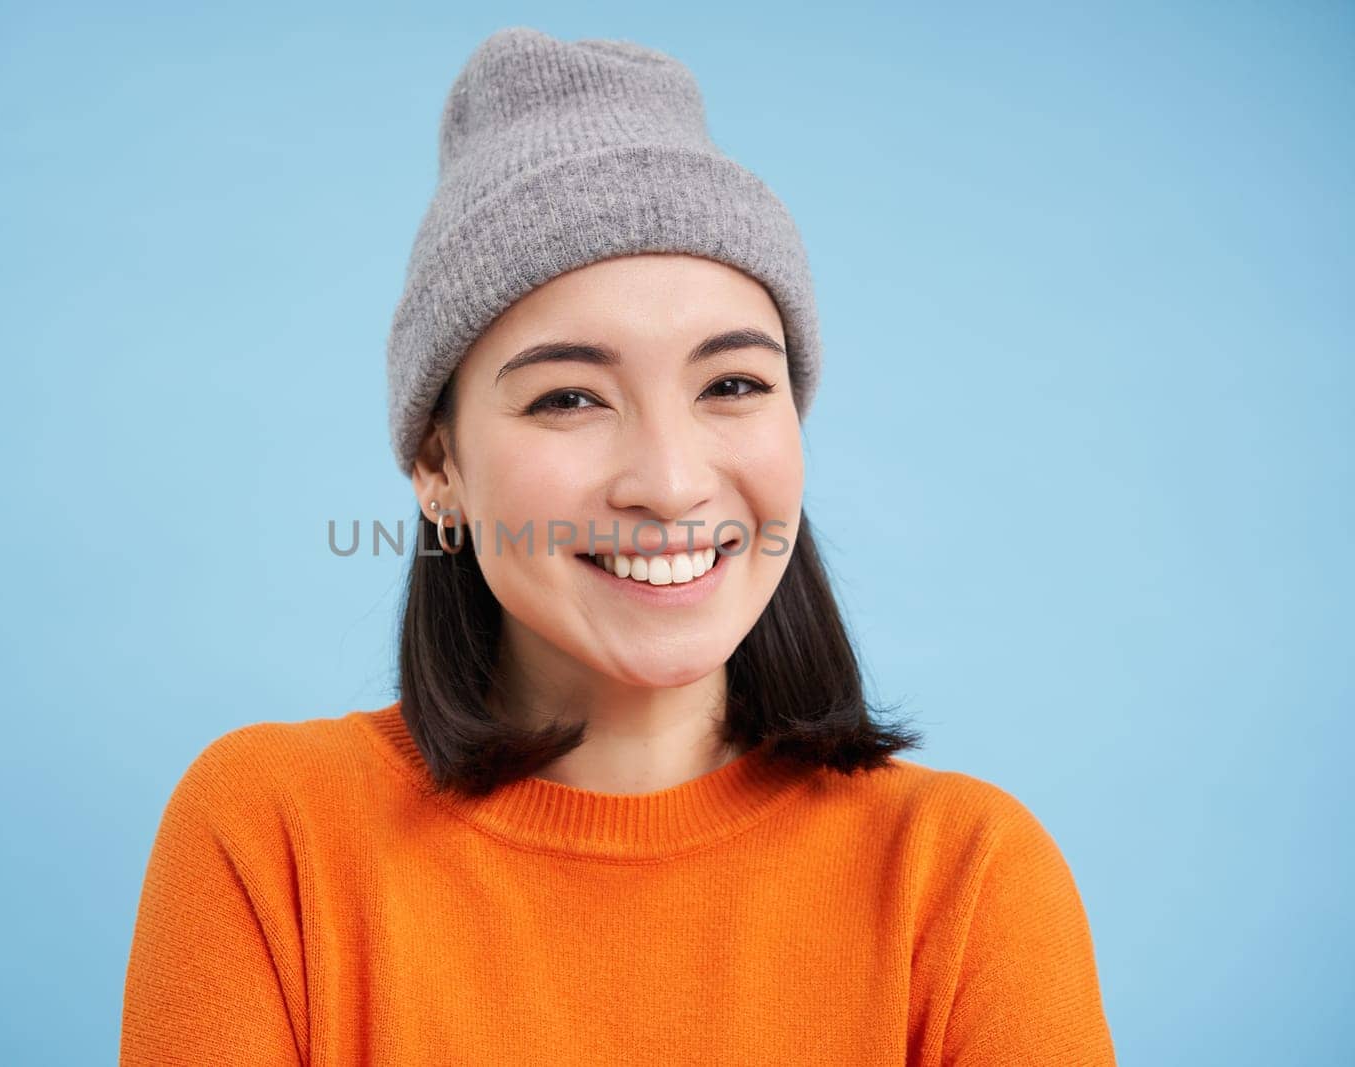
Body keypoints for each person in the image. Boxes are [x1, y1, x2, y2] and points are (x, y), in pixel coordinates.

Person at [120, 26, 1117, 1065]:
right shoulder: (272, 832)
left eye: (731, 384)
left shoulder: (960, 876)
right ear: (436, 466)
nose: (672, 481)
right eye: (568, 397)